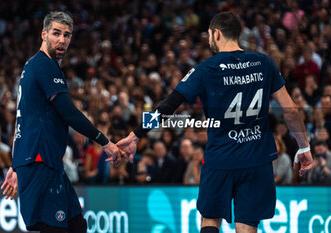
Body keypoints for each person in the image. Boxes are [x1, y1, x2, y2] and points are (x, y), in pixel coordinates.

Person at [110, 12, 312, 233]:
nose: (208, 40)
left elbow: (168, 106)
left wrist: (136, 134)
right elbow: (291, 111)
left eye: (208, 35)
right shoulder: (264, 63)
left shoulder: (206, 69)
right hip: (257, 160)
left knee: (210, 221)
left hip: (220, 159)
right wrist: (304, 146)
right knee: (247, 227)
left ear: (216, 34)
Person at [0, 12, 123, 233]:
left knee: (77, 225)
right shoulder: (45, 65)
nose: (62, 40)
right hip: (41, 160)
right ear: (44, 34)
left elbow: (24, 121)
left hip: (42, 160)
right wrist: (105, 142)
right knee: (56, 228)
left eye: (67, 35)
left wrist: (16, 165)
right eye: (56, 33)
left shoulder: (31, 66)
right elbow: (68, 112)